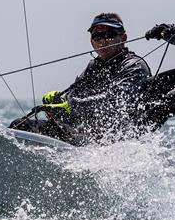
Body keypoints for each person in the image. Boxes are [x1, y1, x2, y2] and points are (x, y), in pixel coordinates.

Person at [10, 13, 151, 144]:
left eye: (110, 34)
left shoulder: (135, 66)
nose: (103, 41)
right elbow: (74, 108)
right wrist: (58, 104)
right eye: (98, 36)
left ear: (124, 37)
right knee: (20, 126)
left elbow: (115, 101)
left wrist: (71, 106)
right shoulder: (94, 67)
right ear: (91, 41)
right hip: (89, 138)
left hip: (120, 143)